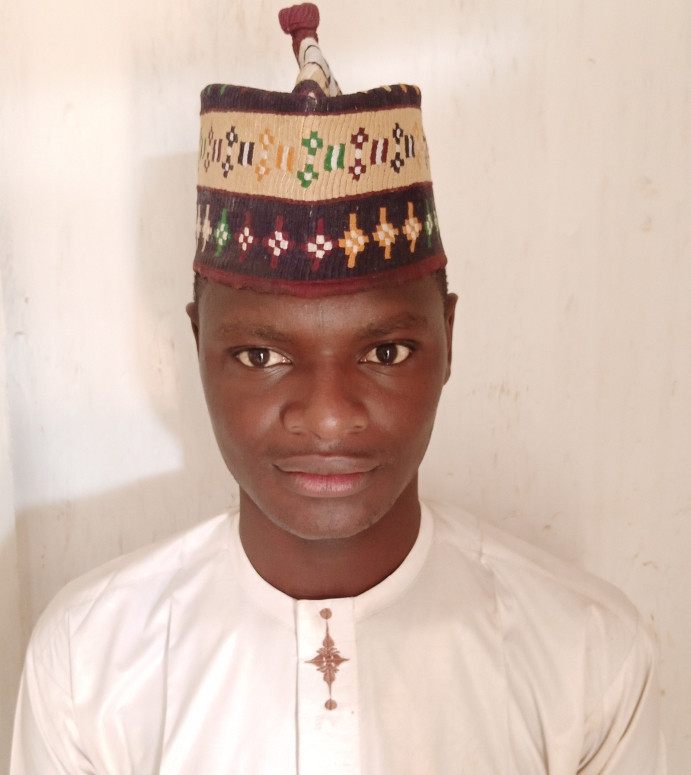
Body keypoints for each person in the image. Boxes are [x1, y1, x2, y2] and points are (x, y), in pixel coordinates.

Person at [11, 4, 665, 773]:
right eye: (260, 355)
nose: (327, 417)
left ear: (448, 339)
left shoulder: (585, 658)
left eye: (385, 350)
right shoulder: (89, 666)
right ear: (197, 346)